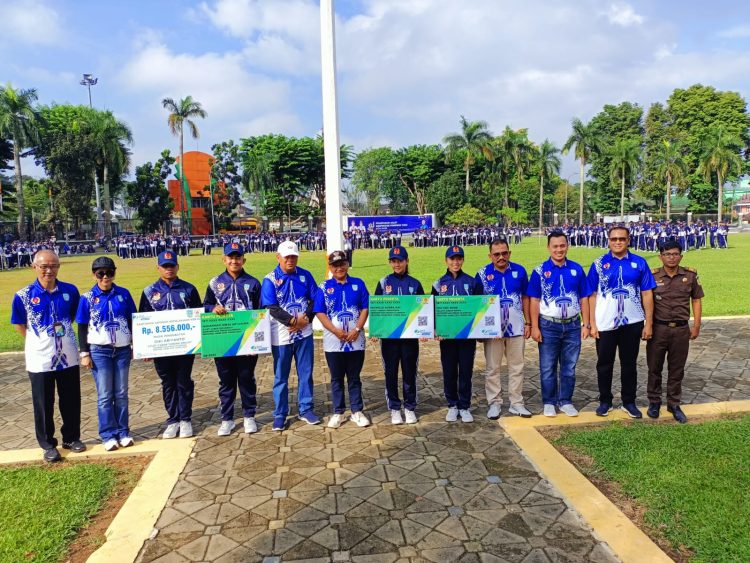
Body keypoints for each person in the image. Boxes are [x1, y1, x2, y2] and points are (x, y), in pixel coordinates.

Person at [11, 250, 86, 462]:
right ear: (34, 267)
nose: (48, 270)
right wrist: (39, 340)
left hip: (67, 355)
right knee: (44, 403)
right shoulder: (23, 295)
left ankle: (72, 438)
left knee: (71, 399)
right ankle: (47, 444)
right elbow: (19, 323)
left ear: (58, 267)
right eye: (44, 266)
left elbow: (73, 316)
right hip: (40, 358)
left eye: (53, 265)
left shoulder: (70, 291)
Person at [588, 226, 656, 418]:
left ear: (628, 240)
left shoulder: (639, 263)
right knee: (604, 364)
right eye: (614, 239)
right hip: (605, 323)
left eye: (622, 239)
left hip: (632, 322)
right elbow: (591, 295)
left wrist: (648, 322)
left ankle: (629, 401)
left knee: (629, 364)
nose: (618, 242)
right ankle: (605, 401)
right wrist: (592, 323)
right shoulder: (599, 264)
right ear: (608, 240)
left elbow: (646, 293)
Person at [139, 251, 202, 438]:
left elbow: (198, 315)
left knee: (183, 381)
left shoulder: (189, 289)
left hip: (185, 347)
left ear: (177, 267)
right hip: (161, 347)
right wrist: (144, 348)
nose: (169, 269)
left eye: (172, 265)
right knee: (168, 382)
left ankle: (185, 419)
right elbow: (142, 319)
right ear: (158, 268)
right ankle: (173, 420)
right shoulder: (149, 292)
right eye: (165, 266)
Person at [76, 256, 137, 450]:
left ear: (114, 273)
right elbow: (82, 327)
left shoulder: (123, 294)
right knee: (104, 394)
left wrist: (137, 344)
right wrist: (84, 353)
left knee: (121, 393)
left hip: (121, 349)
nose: (105, 277)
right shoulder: (87, 298)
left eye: (109, 273)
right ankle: (108, 434)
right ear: (94, 275)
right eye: (100, 273)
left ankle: (123, 432)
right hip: (99, 350)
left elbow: (133, 320)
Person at [528, 232, 592, 417]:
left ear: (567, 246)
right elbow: (533, 300)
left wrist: (586, 324)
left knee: (569, 366)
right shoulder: (540, 271)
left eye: (562, 246)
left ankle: (565, 400)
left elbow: (584, 298)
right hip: (548, 325)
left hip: (572, 325)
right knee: (547, 366)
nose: (559, 250)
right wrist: (534, 326)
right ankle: (549, 401)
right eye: (555, 246)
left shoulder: (577, 269)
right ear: (549, 247)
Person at [204, 243, 262, 436]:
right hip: (222, 340)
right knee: (226, 380)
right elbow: (205, 305)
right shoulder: (214, 283)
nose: (234, 261)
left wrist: (257, 342)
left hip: (246, 340)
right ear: (224, 260)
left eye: (238, 257)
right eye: (231, 257)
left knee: (246, 379)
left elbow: (260, 312)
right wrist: (212, 308)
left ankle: (249, 416)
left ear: (243, 260)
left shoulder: (253, 283)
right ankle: (227, 419)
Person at [261, 241, 320, 431]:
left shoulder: (305, 275)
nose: (290, 260)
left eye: (294, 256)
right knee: (281, 376)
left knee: (306, 373)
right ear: (278, 257)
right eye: (287, 257)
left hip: (304, 334)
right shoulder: (269, 279)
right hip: (281, 336)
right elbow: (272, 308)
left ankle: (306, 409)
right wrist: (293, 322)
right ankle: (280, 414)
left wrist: (305, 319)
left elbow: (315, 299)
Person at [646, 241, 704, 423]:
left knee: (677, 369)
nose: (671, 257)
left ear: (681, 256)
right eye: (667, 254)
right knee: (654, 367)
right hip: (658, 329)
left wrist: (696, 325)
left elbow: (696, 300)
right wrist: (647, 325)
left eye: (675, 254)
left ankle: (674, 403)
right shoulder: (652, 276)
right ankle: (654, 402)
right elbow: (646, 300)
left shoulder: (690, 275)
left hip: (680, 329)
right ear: (660, 256)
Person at [313, 250, 370, 428]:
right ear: (330, 267)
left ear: (347, 264)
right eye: (335, 265)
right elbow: (320, 312)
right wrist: (335, 331)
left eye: (342, 264)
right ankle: (338, 412)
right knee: (336, 378)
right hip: (333, 341)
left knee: (354, 377)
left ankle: (356, 411)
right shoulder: (323, 287)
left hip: (356, 339)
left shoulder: (358, 284)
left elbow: (365, 308)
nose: (339, 268)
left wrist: (358, 329)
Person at [475, 238, 531, 419]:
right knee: (493, 368)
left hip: (516, 329)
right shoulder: (482, 274)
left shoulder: (520, 271)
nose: (501, 257)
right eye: (497, 254)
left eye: (504, 253)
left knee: (517, 367)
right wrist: (481, 330)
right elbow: (478, 305)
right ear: (490, 255)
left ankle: (516, 403)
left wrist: (528, 322)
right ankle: (494, 402)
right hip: (493, 332)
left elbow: (525, 298)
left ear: (509, 253)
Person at [432, 246, 483, 423]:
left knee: (466, 371)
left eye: (459, 258)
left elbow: (480, 309)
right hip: (447, 338)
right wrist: (436, 329)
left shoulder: (472, 282)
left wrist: (481, 329)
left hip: (466, 338)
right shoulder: (438, 284)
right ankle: (452, 405)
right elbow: (433, 310)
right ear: (446, 261)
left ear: (463, 260)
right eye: (452, 259)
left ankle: (465, 405)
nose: (455, 262)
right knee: (449, 371)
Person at [373, 246, 424, 425]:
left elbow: (422, 311)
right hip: (389, 339)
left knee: (410, 373)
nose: (397, 264)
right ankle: (395, 408)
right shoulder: (383, 282)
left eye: (400, 260)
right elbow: (377, 310)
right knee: (391, 373)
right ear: (390, 262)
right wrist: (376, 330)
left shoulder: (415, 284)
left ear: (407, 261)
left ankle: (409, 407)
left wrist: (424, 330)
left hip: (410, 339)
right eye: (393, 261)